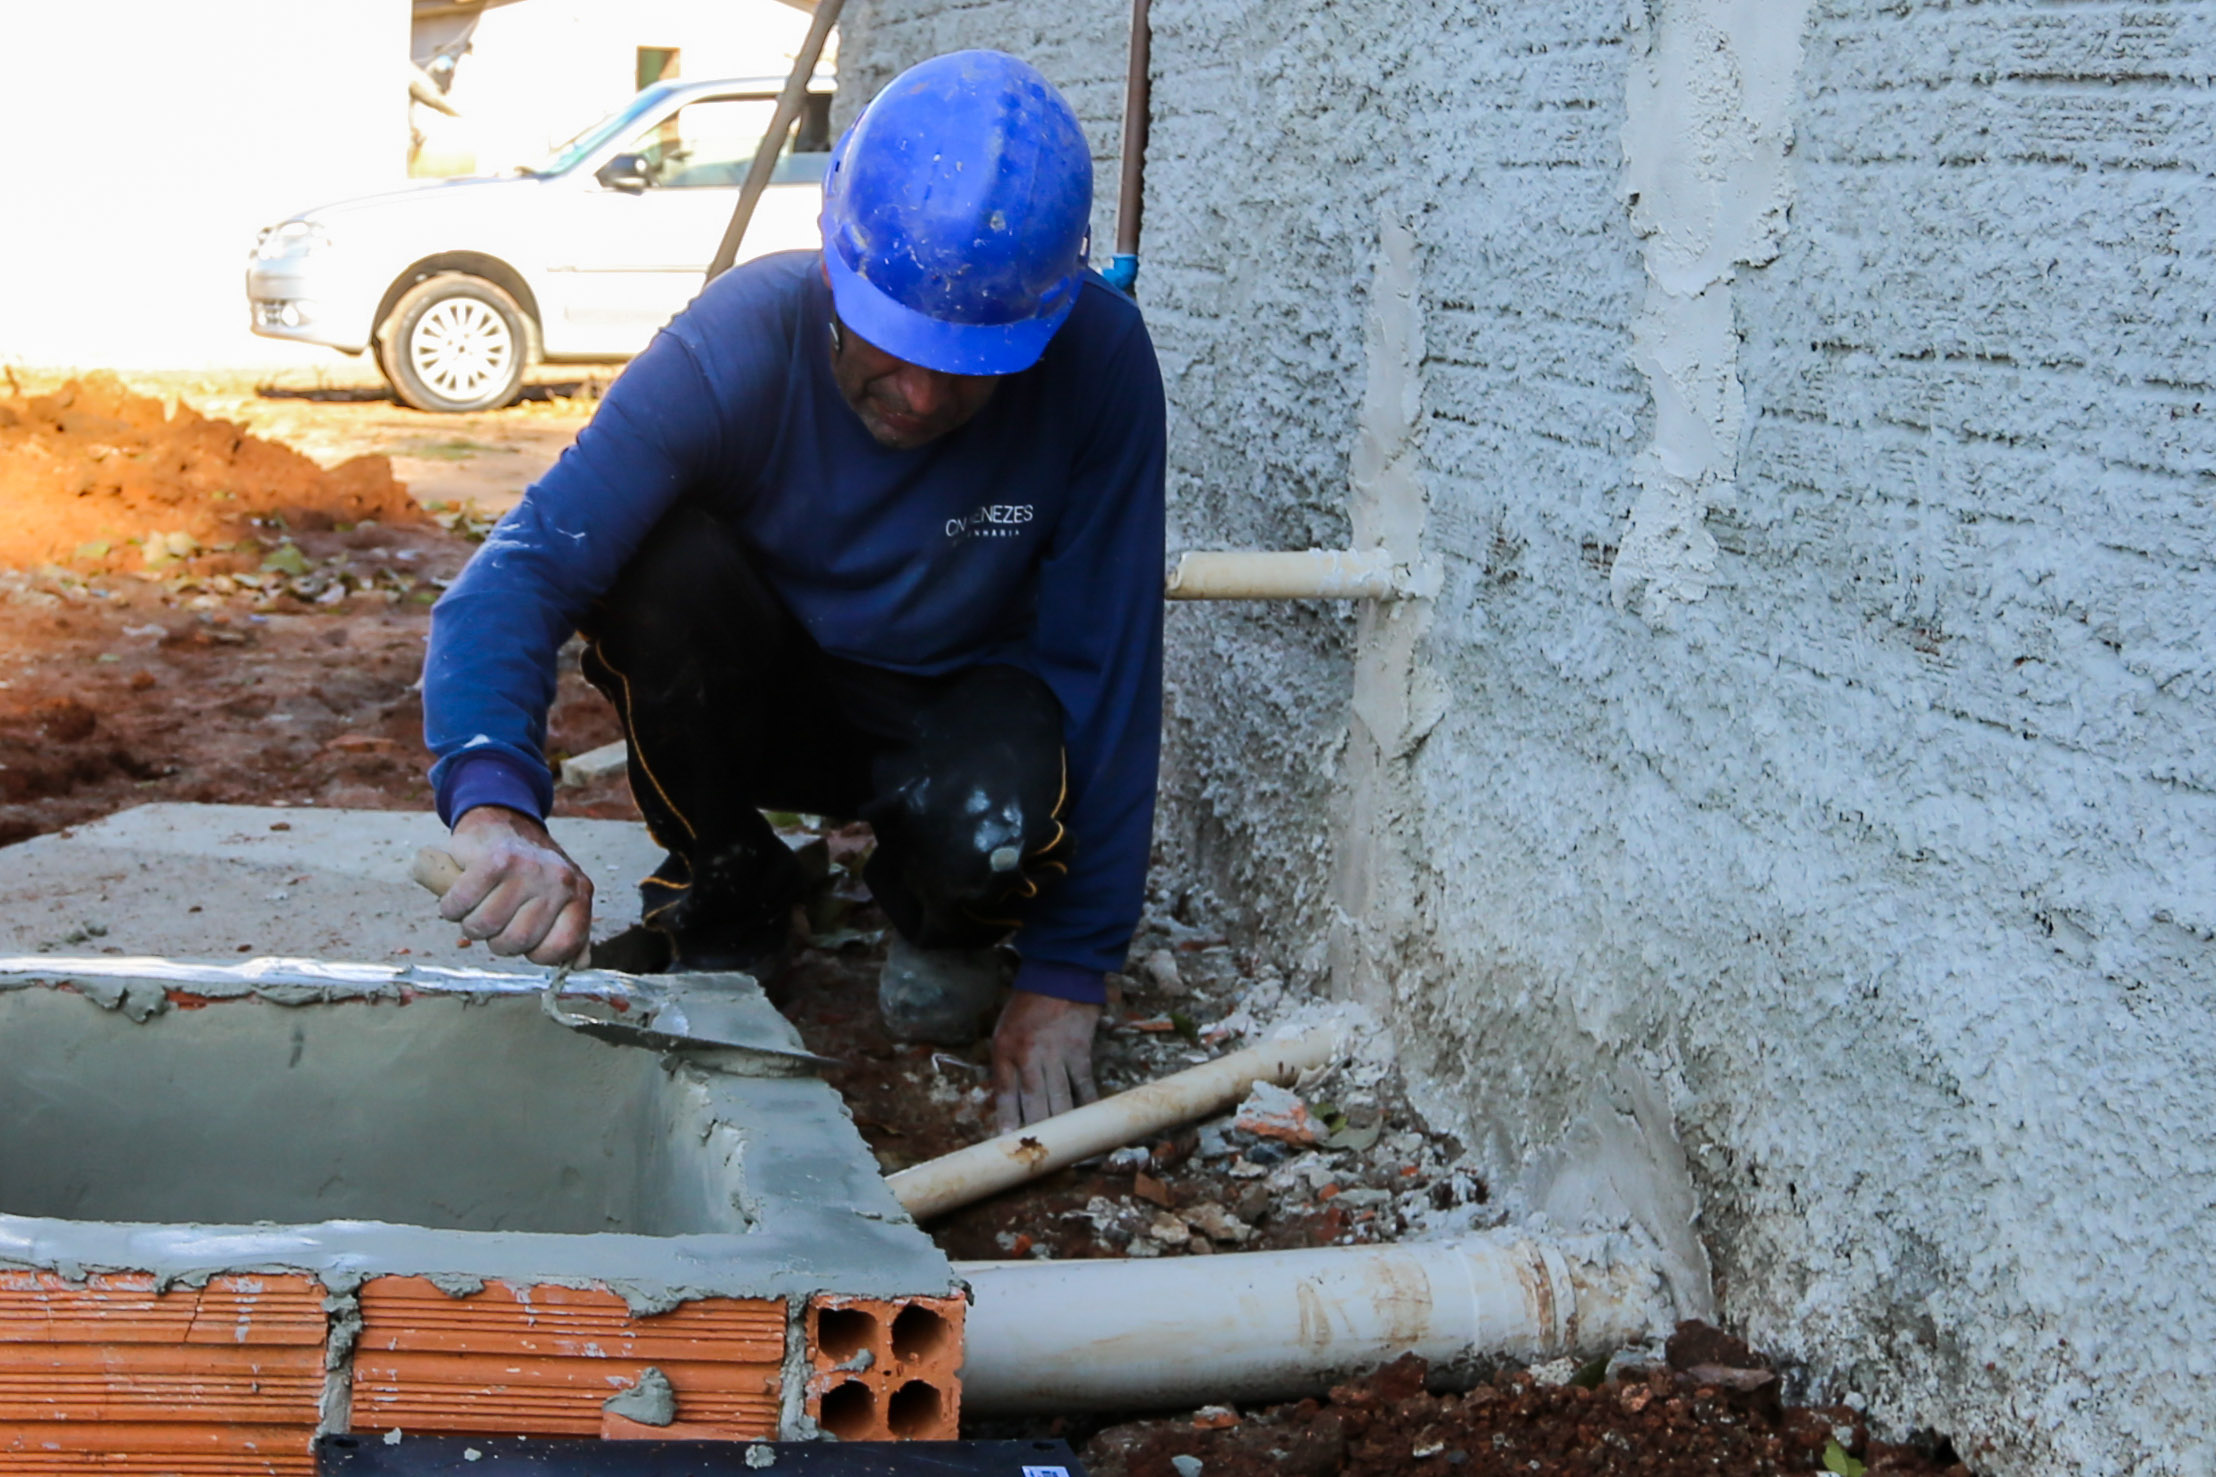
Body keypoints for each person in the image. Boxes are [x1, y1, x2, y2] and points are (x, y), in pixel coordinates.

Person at [418, 50, 1165, 1130]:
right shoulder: (735, 344)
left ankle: (934, 913)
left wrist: (1068, 972)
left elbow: (1109, 663)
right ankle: (733, 882)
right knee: (656, 577)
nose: (917, 393)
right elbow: (518, 577)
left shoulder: (1098, 362)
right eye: (893, 340)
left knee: (999, 825)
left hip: (955, 710)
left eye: (969, 362)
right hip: (769, 696)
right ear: (832, 253)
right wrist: (495, 810)